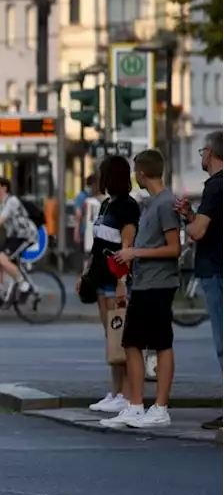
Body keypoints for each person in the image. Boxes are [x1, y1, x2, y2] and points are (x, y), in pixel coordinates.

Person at [102, 149, 180, 429]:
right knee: (132, 343)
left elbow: (174, 249)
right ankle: (135, 405)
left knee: (161, 343)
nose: (135, 176)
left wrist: (136, 253)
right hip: (144, 283)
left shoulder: (165, 203)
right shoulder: (151, 203)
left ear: (143, 173)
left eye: (136, 171)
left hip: (160, 283)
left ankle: (160, 408)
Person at [81, 155, 142, 414]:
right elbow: (99, 246)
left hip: (116, 282)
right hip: (100, 279)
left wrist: (121, 283)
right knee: (112, 339)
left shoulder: (127, 206)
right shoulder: (106, 204)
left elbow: (127, 246)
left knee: (122, 339)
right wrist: (86, 273)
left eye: (101, 172)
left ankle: (128, 395)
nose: (97, 177)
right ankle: (116, 392)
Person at [175, 129, 224, 429]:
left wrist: (189, 225)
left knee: (223, 345)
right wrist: (191, 215)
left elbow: (199, 232)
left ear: (213, 152)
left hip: (216, 271)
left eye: (203, 150)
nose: (201, 156)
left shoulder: (215, 187)